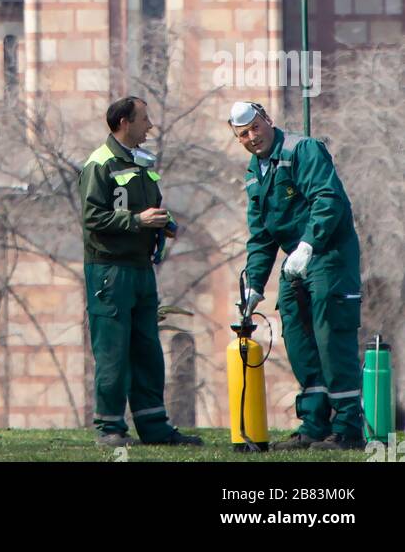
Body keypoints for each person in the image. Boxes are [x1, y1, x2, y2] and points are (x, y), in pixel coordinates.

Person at [230, 100, 364, 450]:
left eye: (255, 128)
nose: (251, 137)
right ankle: (314, 425)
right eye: (242, 134)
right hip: (297, 261)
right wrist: (255, 285)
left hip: (329, 254)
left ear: (268, 121)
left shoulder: (302, 149)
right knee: (297, 334)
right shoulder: (254, 171)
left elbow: (327, 199)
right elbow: (260, 235)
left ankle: (349, 428)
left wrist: (308, 244)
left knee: (331, 334)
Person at [79, 96, 202, 448]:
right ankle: (110, 429)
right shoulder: (99, 164)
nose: (150, 126)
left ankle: (154, 427)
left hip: (141, 269)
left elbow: (151, 206)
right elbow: (91, 219)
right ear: (123, 123)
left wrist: (164, 223)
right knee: (113, 351)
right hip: (109, 272)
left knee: (147, 349)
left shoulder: (142, 162)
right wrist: (136, 221)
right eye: (144, 119)